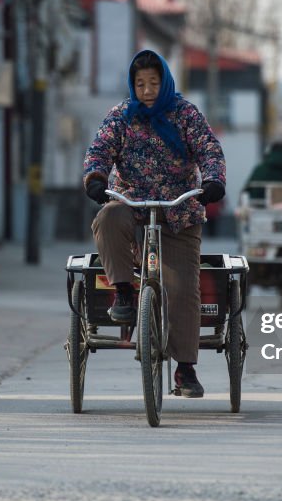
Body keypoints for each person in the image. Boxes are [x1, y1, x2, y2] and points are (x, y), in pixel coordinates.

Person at [83, 49, 226, 398]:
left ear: (165, 82)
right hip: (131, 205)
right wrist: (96, 178)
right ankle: (125, 291)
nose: (146, 90)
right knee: (107, 217)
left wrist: (212, 181)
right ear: (132, 86)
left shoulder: (185, 114)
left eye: (153, 82)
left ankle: (186, 369)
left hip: (178, 211)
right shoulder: (121, 116)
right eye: (139, 83)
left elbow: (209, 150)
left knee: (182, 289)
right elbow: (99, 150)